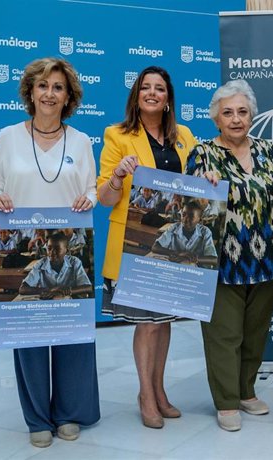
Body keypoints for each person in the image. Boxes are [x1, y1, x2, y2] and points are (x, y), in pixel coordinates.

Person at [0, 57, 99, 448]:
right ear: (30, 91)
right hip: (28, 241)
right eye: (43, 86)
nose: (50, 94)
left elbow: (92, 189)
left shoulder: (82, 141)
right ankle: (37, 418)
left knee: (71, 337)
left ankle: (68, 413)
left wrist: (90, 197)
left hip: (70, 246)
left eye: (58, 87)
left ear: (69, 97)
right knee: (30, 338)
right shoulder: (8, 137)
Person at [97, 66, 197, 429]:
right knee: (148, 325)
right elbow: (105, 199)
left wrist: (209, 177)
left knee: (165, 320)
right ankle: (145, 394)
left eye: (160, 88)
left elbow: (199, 182)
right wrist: (118, 176)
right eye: (145, 88)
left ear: (168, 98)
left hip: (175, 244)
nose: (152, 93)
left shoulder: (185, 136)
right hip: (136, 244)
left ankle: (159, 389)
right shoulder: (117, 135)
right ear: (136, 95)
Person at [186, 79, 273, 432]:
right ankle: (226, 400)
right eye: (227, 112)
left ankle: (246, 391)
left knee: (255, 332)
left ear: (252, 116)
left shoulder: (270, 151)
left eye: (242, 112)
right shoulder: (202, 154)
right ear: (216, 119)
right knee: (223, 334)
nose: (236, 119)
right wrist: (203, 183)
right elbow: (192, 204)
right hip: (223, 261)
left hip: (267, 257)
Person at [20, 232, 92, 300]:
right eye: (49, 248)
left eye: (57, 249)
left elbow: (88, 287)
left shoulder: (75, 262)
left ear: (66, 251)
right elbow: (22, 289)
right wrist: (51, 290)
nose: (52, 253)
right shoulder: (40, 264)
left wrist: (68, 290)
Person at [151, 200, 218, 266]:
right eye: (183, 214)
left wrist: (192, 258)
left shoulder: (205, 232)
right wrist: (178, 253)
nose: (185, 219)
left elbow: (214, 260)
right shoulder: (174, 227)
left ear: (199, 220)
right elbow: (155, 247)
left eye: (191, 216)